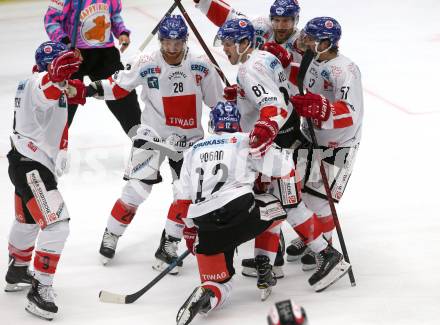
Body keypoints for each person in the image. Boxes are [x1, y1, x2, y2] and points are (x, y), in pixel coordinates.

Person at [213, 17, 352, 293]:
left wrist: (263, 131)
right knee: (273, 204)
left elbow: (273, 105)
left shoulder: (249, 68)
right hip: (285, 140)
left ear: (243, 43)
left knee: (284, 204)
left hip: (275, 147)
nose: (224, 49)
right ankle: (270, 260)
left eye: (228, 44)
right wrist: (241, 96)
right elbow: (280, 94)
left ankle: (325, 254)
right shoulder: (263, 57)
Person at [80, 15, 224, 271]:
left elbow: (217, 102)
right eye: (166, 42)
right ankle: (111, 233)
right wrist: (89, 89)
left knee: (185, 195)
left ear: (185, 40)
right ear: (160, 41)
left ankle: (169, 243)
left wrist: (231, 109)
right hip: (152, 136)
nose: (171, 48)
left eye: (177, 42)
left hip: (190, 141)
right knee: (136, 189)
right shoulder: (145, 62)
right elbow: (118, 86)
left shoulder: (202, 65)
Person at [175, 101, 292, 325]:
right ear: (237, 123)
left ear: (212, 124)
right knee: (276, 207)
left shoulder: (193, 150)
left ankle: (208, 295)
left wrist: (191, 231)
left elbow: (182, 200)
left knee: (220, 283)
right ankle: (264, 265)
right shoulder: (245, 140)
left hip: (205, 223)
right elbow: (284, 167)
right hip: (239, 213)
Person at [4, 41, 85, 320]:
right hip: (31, 166)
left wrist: (62, 147)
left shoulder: (53, 86)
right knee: (57, 225)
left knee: (27, 222)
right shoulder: (37, 82)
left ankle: (17, 268)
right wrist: (55, 75)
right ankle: (40, 289)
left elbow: (59, 107)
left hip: (27, 161)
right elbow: (46, 90)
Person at [285, 17, 363, 270]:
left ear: (327, 42)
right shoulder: (312, 59)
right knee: (303, 193)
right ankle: (312, 237)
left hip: (339, 144)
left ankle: (326, 247)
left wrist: (323, 109)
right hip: (311, 137)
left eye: (310, 38)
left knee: (319, 198)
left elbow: (351, 112)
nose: (304, 41)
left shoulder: (346, 70)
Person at [44, 0, 141, 135]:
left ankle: (142, 141)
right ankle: (49, 145)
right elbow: (50, 20)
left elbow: (114, 15)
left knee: (123, 95)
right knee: (64, 104)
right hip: (72, 55)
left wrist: (121, 32)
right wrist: (66, 43)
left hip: (104, 54)